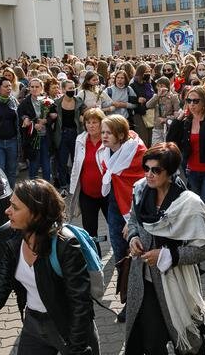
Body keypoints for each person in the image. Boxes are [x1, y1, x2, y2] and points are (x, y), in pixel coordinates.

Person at [0, 179, 99, 355]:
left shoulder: (64, 246)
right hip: (33, 325)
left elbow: (80, 302)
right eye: (9, 205)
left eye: (15, 207)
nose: (7, 211)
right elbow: (5, 275)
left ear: (36, 214)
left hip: (69, 327)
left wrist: (78, 346)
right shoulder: (15, 241)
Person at [125, 143, 205, 355]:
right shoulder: (140, 190)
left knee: (188, 340)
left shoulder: (190, 204)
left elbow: (203, 250)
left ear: (170, 171)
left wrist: (167, 255)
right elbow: (134, 221)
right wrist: (134, 238)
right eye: (146, 168)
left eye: (156, 170)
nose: (149, 174)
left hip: (176, 280)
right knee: (152, 342)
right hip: (143, 281)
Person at [96, 115, 146, 321]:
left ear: (120, 134)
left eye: (108, 133)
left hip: (134, 210)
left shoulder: (138, 153)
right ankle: (127, 300)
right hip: (115, 205)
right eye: (102, 132)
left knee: (137, 258)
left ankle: (141, 302)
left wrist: (132, 221)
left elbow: (144, 190)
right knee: (119, 255)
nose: (104, 136)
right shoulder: (104, 152)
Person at [166, 86, 205, 243]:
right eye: (189, 100)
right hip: (192, 171)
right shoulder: (185, 122)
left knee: (204, 204)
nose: (192, 104)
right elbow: (170, 139)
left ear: (203, 102)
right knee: (202, 206)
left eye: (196, 101)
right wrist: (179, 118)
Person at [69, 108, 108, 256]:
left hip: (107, 194)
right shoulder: (80, 139)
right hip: (87, 194)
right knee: (90, 232)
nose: (91, 125)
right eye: (88, 122)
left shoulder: (109, 139)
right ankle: (95, 261)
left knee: (116, 227)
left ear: (102, 123)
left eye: (95, 122)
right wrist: (74, 192)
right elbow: (76, 167)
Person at [51, 79, 85, 190]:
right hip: (62, 134)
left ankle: (77, 182)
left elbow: (85, 113)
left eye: (74, 87)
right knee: (62, 160)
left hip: (76, 133)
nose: (72, 90)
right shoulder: (57, 103)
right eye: (69, 88)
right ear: (63, 89)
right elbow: (50, 117)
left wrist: (83, 117)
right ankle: (63, 183)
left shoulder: (79, 101)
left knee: (77, 159)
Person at [18, 78, 52, 180]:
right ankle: (32, 185)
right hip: (32, 137)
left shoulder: (47, 100)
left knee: (46, 162)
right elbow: (21, 116)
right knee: (34, 162)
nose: (34, 89)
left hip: (45, 136)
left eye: (37, 86)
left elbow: (53, 116)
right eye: (32, 86)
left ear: (41, 88)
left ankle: (47, 185)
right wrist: (32, 123)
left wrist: (46, 120)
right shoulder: (25, 102)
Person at [146, 76, 181, 145]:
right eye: (158, 86)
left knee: (167, 148)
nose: (160, 88)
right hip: (157, 128)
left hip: (169, 128)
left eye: (162, 86)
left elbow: (178, 114)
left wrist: (166, 119)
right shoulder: (156, 96)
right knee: (156, 147)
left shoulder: (173, 97)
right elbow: (148, 105)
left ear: (167, 87)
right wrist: (157, 96)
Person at [129, 64, 155, 148]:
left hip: (150, 113)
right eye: (145, 72)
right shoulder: (133, 85)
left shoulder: (149, 84)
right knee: (143, 139)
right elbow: (129, 98)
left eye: (149, 72)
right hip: (139, 114)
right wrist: (137, 99)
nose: (147, 74)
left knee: (151, 138)